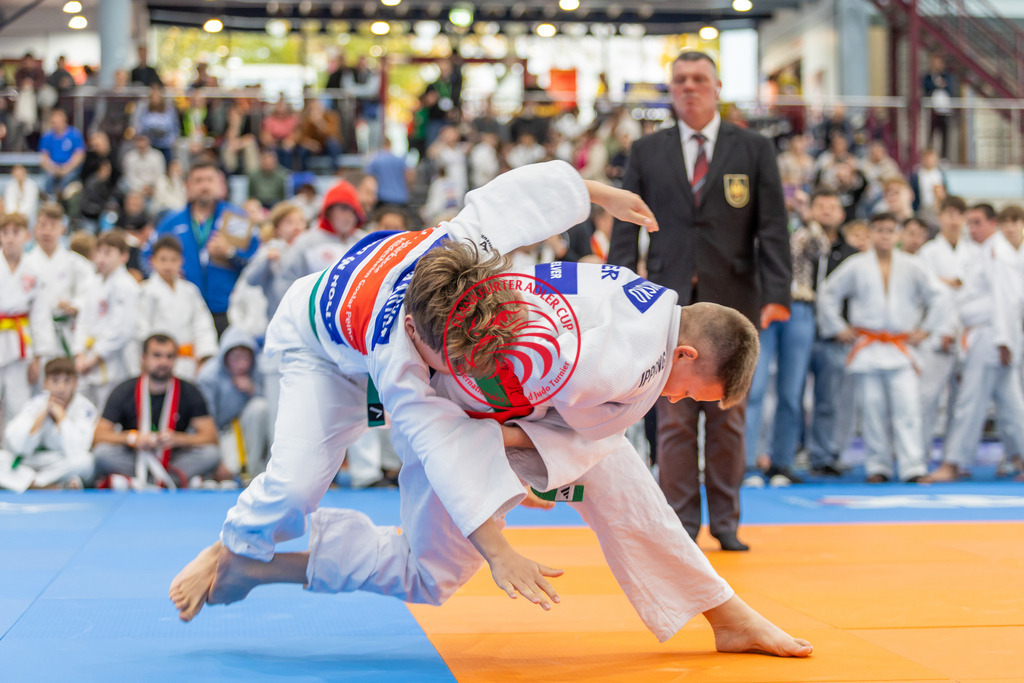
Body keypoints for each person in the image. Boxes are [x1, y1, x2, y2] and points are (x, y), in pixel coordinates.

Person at [170, 238, 813, 659]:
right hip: (375, 371)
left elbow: (516, 201)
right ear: (685, 354)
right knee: (295, 487)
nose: (676, 400)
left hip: (469, 386)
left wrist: (586, 189)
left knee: (435, 574)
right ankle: (235, 545)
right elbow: (441, 434)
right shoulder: (613, 364)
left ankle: (263, 566)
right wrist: (506, 524)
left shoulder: (633, 315)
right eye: (689, 390)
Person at [607, 51, 791, 552]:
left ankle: (727, 523)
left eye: (699, 79)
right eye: (680, 80)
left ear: (717, 86)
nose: (689, 87)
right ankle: (680, 526)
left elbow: (772, 227)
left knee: (728, 415)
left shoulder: (752, 148)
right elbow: (627, 225)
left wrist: (778, 295)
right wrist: (620, 287)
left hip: (734, 300)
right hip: (667, 305)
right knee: (673, 415)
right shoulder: (648, 151)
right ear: (671, 88)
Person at [817, 213, 950, 483]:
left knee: (908, 409)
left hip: (900, 347)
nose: (884, 236)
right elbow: (828, 293)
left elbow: (939, 296)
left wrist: (926, 329)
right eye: (879, 230)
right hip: (868, 347)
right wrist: (838, 327)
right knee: (873, 409)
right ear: (871, 233)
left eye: (890, 231)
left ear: (897, 234)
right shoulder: (856, 265)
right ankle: (878, 466)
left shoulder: (912, 266)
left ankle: (913, 466)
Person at [924, 204, 1024, 482]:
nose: (972, 228)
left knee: (970, 401)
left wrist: (1005, 340)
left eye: (978, 222)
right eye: (970, 223)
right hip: (986, 334)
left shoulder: (997, 252)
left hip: (992, 336)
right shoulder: (986, 252)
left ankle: (953, 463)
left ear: (993, 223)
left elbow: (1007, 299)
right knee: (1011, 403)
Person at [92, 334, 220, 488]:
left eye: (169, 356)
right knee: (102, 454)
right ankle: (170, 481)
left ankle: (141, 482)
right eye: (157, 355)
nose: (163, 362)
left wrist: (179, 439)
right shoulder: (124, 390)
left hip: (174, 459)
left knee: (212, 454)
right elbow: (99, 435)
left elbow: (210, 436)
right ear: (143, 358)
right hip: (135, 457)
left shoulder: (189, 391)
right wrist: (132, 438)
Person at [151, 160, 260, 336]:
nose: (205, 186)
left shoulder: (236, 218)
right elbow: (147, 257)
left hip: (227, 307)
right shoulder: (171, 222)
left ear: (219, 183)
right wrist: (164, 274)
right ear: (188, 185)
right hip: (183, 308)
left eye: (210, 180)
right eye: (198, 180)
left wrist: (230, 253)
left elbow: (255, 263)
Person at [916, 195, 974, 460]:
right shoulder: (928, 253)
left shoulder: (974, 251)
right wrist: (953, 283)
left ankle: (955, 457)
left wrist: (950, 282)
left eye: (958, 215)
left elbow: (973, 292)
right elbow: (927, 293)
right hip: (936, 336)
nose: (954, 220)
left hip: (967, 335)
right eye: (949, 214)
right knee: (927, 398)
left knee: (962, 402)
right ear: (940, 218)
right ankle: (919, 454)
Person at [0, 358, 96, 492]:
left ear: (75, 383)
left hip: (61, 461)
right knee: (1, 459)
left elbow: (79, 449)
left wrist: (61, 417)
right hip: (34, 460)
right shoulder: (36, 404)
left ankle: (34, 483)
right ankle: (49, 485)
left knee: (86, 461)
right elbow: (19, 446)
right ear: (46, 383)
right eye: (55, 381)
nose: (61, 387)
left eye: (67, 381)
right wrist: (43, 415)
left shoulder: (84, 408)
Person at [73, 231, 140, 410]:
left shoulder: (126, 286)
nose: (101, 258)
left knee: (109, 411)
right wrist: (80, 354)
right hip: (86, 358)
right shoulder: (93, 283)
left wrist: (94, 357)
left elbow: (121, 329)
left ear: (124, 256)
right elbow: (82, 321)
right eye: (99, 252)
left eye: (108, 253)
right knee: (83, 411)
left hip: (112, 361)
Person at [23, 203, 96, 364]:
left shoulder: (76, 263)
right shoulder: (25, 263)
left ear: (62, 229)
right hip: (33, 334)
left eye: (53, 226)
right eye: (42, 225)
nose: (47, 231)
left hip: (66, 331)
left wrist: (75, 305)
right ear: (35, 228)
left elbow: (90, 292)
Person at [137, 236, 218, 382]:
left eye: (173, 260)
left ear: (181, 261)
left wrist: (204, 356)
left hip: (189, 361)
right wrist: (146, 361)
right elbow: (142, 328)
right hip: (159, 362)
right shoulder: (146, 291)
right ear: (152, 261)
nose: (168, 265)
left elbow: (202, 324)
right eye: (163, 260)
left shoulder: (190, 291)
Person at [197, 327, 270, 482]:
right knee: (227, 470)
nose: (241, 364)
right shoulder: (208, 376)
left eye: (246, 358)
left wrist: (253, 390)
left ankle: (254, 472)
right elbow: (206, 421)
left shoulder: (258, 371)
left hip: (247, 430)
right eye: (236, 357)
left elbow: (276, 406)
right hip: (220, 432)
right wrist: (220, 461)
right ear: (225, 356)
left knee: (260, 406)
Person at [0, 213, 53, 425]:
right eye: (5, 232)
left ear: (27, 236)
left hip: (20, 346)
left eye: (16, 232)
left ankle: (14, 455)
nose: (10, 238)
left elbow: (40, 316)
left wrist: (38, 358)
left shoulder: (34, 271)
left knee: (18, 405)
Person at [276, 179, 365, 285]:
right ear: (329, 211)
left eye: (354, 211)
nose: (349, 216)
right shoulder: (306, 242)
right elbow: (287, 281)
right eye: (343, 209)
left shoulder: (364, 240)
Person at [38, 108, 86, 199]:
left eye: (57, 122)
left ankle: (61, 196)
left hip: (69, 166)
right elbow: (44, 157)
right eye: (53, 122)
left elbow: (79, 155)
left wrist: (67, 168)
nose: (55, 124)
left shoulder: (74, 134)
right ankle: (48, 197)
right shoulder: (47, 136)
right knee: (48, 176)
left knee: (68, 177)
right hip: (53, 166)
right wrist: (52, 168)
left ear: (64, 120)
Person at [365, 138, 410, 206]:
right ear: (390, 145)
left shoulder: (375, 161)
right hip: (400, 197)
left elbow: (368, 178)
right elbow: (409, 176)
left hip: (383, 197)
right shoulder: (400, 160)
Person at [122, 135, 166, 199]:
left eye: (143, 142)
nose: (141, 145)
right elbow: (130, 177)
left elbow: (160, 175)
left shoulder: (157, 156)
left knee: (163, 183)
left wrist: (151, 188)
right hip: (136, 188)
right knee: (124, 183)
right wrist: (141, 188)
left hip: (154, 187)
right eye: (139, 142)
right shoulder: (129, 157)